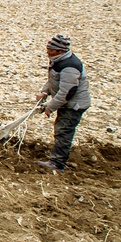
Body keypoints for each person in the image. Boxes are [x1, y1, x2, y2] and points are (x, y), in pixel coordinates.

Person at [35, 34, 90, 173]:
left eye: (51, 50)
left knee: (63, 131)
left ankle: (57, 163)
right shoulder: (58, 60)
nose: (48, 52)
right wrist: (44, 92)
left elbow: (67, 92)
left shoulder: (70, 67)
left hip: (74, 105)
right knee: (61, 129)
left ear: (61, 51)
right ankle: (57, 159)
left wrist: (50, 107)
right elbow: (54, 80)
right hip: (67, 102)